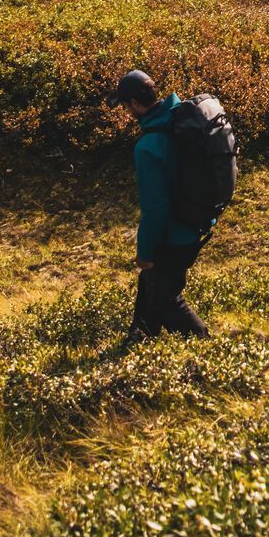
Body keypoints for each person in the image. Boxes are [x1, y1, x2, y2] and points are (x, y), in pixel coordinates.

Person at [109, 68, 214, 338]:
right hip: (196, 222)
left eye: (125, 105)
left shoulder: (149, 146)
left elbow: (155, 210)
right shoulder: (180, 120)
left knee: (166, 297)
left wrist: (144, 253)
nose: (126, 111)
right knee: (153, 283)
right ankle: (140, 336)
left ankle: (205, 345)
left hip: (175, 233)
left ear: (134, 104)